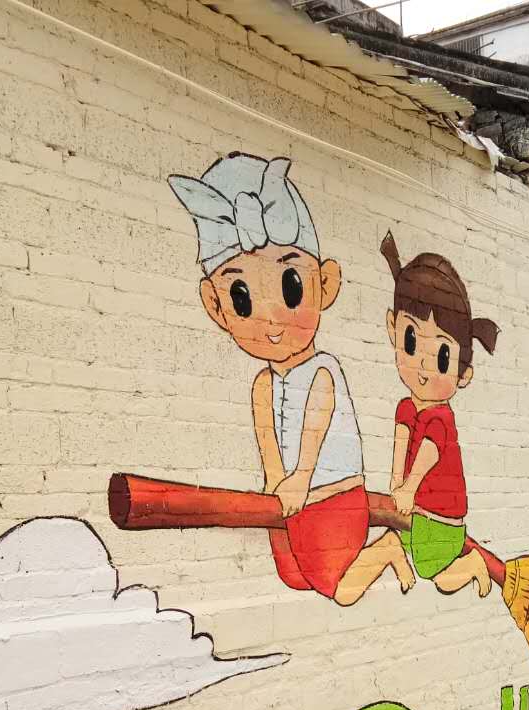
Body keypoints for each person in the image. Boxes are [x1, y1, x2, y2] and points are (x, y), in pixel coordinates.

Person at [168, 153, 413, 605]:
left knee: (339, 589)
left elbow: (316, 422)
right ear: (216, 307)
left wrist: (300, 477)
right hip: (291, 498)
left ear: (325, 284)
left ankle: (387, 549)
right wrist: (276, 484)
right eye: (241, 297)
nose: (271, 319)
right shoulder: (263, 384)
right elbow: (267, 442)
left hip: (334, 495)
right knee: (294, 578)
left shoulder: (323, 369)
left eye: (290, 287)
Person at [381, 231, 499, 597]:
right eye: (411, 340)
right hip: (415, 507)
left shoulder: (441, 417)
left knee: (437, 573)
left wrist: (409, 487)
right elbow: (401, 441)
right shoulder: (406, 407)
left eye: (442, 356)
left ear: (463, 375)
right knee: (396, 540)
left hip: (442, 514)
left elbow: (428, 454)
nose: (423, 366)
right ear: (393, 328)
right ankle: (400, 557)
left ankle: (473, 565)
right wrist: (396, 485)